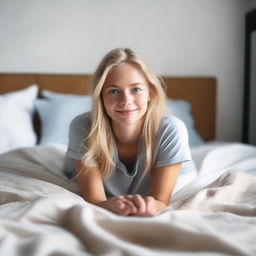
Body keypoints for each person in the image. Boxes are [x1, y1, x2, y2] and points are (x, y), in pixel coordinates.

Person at [65, 48, 192, 217]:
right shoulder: (82, 127)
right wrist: (112, 206)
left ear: (150, 93)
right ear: (101, 96)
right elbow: (95, 201)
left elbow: (160, 201)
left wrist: (144, 208)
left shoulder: (172, 130)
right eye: (113, 91)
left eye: (136, 89)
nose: (126, 101)